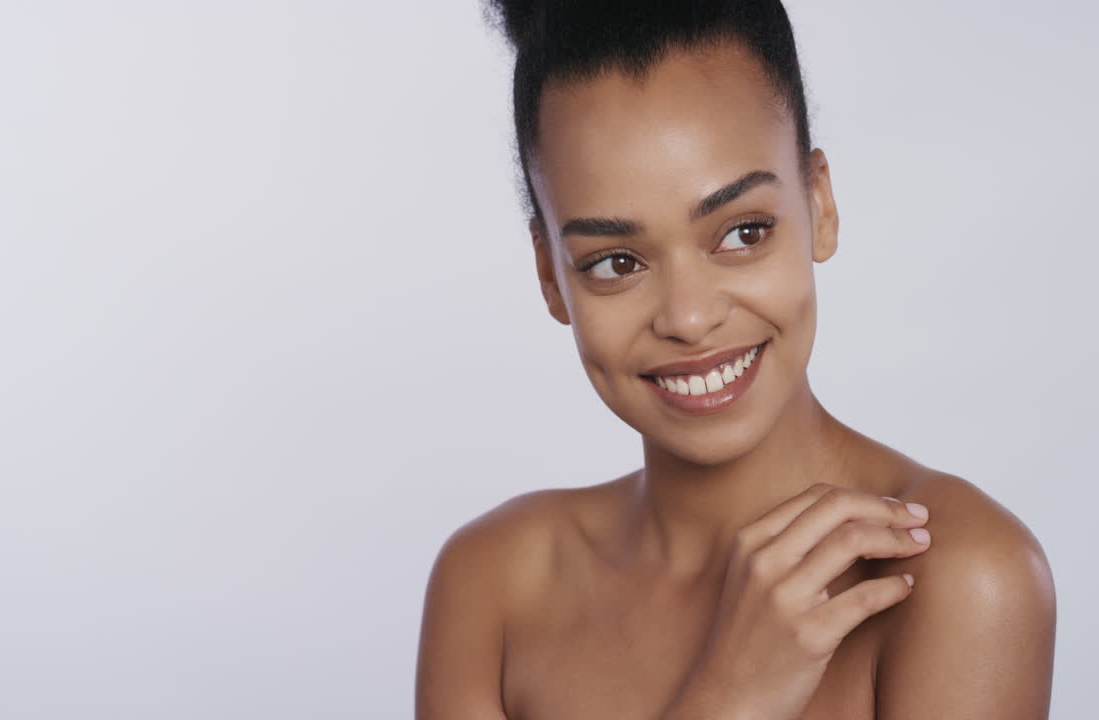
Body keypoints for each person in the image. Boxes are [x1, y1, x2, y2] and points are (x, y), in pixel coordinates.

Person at [416, 2, 1057, 718]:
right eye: (616, 262)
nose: (689, 319)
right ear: (549, 275)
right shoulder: (493, 586)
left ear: (820, 204)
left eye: (743, 232)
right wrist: (732, 697)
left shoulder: (959, 575)